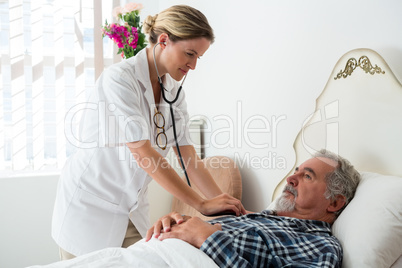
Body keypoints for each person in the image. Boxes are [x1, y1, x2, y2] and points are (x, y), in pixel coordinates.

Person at [51, 5, 245, 260]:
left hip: (132, 209)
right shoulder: (119, 79)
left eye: (199, 57)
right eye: (190, 54)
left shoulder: (174, 92)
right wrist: (200, 204)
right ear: (164, 40)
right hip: (90, 209)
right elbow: (143, 153)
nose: (194, 65)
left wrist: (221, 203)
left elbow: (187, 156)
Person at [146, 149, 361, 267]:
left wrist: (209, 240)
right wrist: (177, 224)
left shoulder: (322, 246)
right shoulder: (259, 217)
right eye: (296, 171)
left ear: (334, 202)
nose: (290, 179)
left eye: (307, 176)